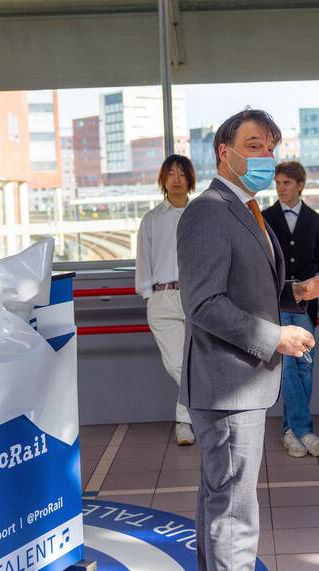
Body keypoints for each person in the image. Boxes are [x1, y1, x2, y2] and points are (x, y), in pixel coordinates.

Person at [177, 108, 319, 571]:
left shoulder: (246, 209)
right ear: (224, 152)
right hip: (226, 384)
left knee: (221, 499)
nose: (265, 157)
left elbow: (249, 289)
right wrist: (275, 337)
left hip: (237, 384)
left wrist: (300, 291)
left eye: (270, 148)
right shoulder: (208, 212)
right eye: (254, 147)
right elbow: (204, 304)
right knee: (234, 512)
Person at [263, 161, 319, 458]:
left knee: (305, 364)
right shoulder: (264, 219)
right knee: (287, 366)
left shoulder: (316, 221)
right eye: (278, 183)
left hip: (305, 303)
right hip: (276, 301)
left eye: (287, 183)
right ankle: (304, 430)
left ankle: (290, 431)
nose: (281, 188)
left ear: (300, 185)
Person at [135, 154, 198, 446]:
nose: (176, 179)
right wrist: (150, 296)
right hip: (162, 298)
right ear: (163, 179)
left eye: (181, 174)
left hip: (197, 296)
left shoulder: (201, 214)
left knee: (199, 361)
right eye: (171, 173)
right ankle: (193, 417)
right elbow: (143, 259)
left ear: (190, 179)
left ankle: (185, 422)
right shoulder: (152, 219)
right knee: (178, 364)